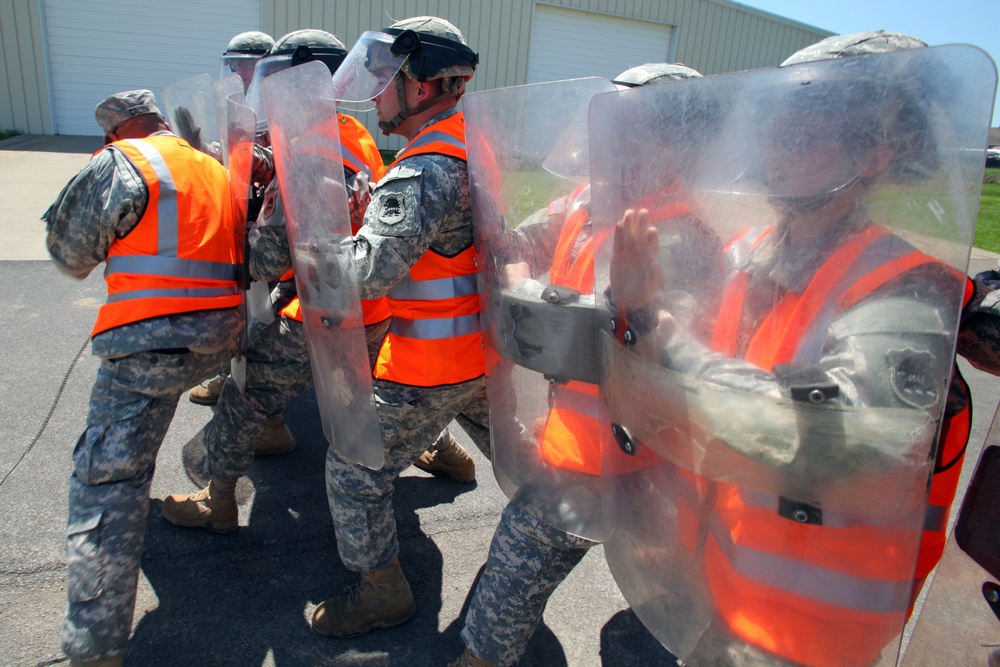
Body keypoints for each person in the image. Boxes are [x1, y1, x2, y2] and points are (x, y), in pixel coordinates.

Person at [602, 31, 998, 667]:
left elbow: (825, 443)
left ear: (874, 152)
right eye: (777, 123)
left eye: (807, 128)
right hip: (722, 584)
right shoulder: (746, 253)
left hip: (808, 630)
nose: (778, 145)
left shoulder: (904, 293)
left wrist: (661, 328)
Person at [448, 63, 716, 667]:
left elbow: (629, 339)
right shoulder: (589, 201)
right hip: (577, 436)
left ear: (675, 143)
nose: (605, 143)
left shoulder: (678, 237)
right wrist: (511, 252)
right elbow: (520, 242)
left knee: (514, 572)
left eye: (628, 129)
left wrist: (530, 290)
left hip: (625, 451)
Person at [161, 28, 390, 530]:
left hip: (323, 312)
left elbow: (264, 259)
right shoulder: (351, 132)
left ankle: (217, 498)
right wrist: (255, 161)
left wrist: (217, 241)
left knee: (245, 384)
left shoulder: (311, 153)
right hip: (363, 307)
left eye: (278, 82)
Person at [44, 90, 241, 667]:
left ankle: (96, 646)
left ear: (116, 131)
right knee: (168, 420)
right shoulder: (211, 166)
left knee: (107, 481)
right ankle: (213, 487)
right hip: (216, 342)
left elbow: (70, 255)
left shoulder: (123, 162)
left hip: (145, 346)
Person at [308, 16, 490, 638]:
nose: (376, 90)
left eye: (388, 78)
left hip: (435, 361)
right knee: (531, 473)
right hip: (484, 355)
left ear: (423, 87)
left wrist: (319, 243)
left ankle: (382, 591)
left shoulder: (426, 165)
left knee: (351, 470)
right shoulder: (473, 141)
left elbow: (365, 275)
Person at [187, 29, 276, 404]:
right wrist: (198, 148)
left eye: (247, 63)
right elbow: (230, 154)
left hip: (269, 227)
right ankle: (234, 375)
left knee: (265, 313)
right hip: (238, 219)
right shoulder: (234, 107)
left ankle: (261, 396)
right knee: (237, 305)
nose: (238, 70)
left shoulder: (277, 109)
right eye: (234, 63)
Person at [220, 30, 275, 95]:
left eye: (247, 64)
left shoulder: (280, 97)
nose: (240, 71)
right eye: (236, 65)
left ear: (268, 67)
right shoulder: (236, 99)